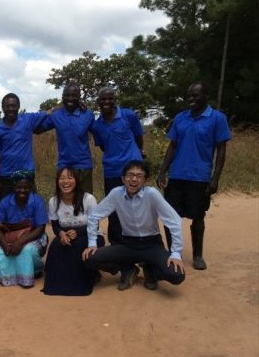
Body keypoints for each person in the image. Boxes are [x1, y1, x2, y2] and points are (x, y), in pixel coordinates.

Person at [157, 82, 231, 270]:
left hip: (199, 177)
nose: (191, 99)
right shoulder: (180, 118)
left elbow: (221, 150)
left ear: (206, 95)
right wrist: (162, 171)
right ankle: (175, 252)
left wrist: (215, 178)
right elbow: (172, 146)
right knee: (169, 217)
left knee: (198, 216)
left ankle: (198, 255)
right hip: (177, 176)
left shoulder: (217, 118)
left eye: (196, 95)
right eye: (189, 95)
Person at [81, 160, 186, 291]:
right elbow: (94, 216)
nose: (134, 179)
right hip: (128, 245)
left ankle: (151, 272)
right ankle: (128, 269)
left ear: (145, 180)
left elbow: (174, 221)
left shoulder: (152, 194)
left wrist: (176, 253)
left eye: (139, 176)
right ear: (123, 178)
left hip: (152, 244)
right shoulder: (116, 194)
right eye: (130, 175)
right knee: (89, 258)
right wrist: (92, 243)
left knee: (177, 275)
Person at [91, 87, 144, 245]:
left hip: (132, 170)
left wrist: (137, 155)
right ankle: (117, 245)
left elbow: (139, 137)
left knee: (137, 208)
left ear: (115, 100)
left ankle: (141, 245)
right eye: (103, 99)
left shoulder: (129, 115)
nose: (107, 102)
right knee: (114, 209)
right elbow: (103, 146)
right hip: (111, 171)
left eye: (110, 99)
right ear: (98, 101)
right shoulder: (96, 125)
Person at [42, 168, 104, 296]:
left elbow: (95, 224)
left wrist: (79, 233)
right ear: (57, 181)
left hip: (90, 235)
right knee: (57, 246)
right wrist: (61, 234)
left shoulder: (88, 199)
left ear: (76, 181)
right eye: (62, 178)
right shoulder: (54, 201)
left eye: (70, 178)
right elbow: (55, 226)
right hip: (66, 234)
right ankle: (60, 282)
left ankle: (88, 276)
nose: (66, 181)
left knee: (77, 247)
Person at [0, 171, 48, 287]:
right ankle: (11, 277)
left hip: (33, 237)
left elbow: (41, 228)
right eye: (19, 187)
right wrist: (5, 246)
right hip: (9, 238)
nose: (22, 190)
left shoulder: (37, 201)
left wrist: (20, 242)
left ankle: (34, 271)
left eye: (26, 187)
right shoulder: (5, 202)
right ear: (13, 187)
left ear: (30, 187)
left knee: (27, 251)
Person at [37, 83, 95, 193]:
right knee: (64, 202)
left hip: (84, 166)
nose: (70, 98)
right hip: (64, 166)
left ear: (79, 97)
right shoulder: (56, 115)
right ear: (62, 97)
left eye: (74, 95)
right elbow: (37, 129)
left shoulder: (87, 114)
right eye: (67, 95)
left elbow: (99, 131)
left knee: (85, 202)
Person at [0, 93, 48, 197]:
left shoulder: (28, 119)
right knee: (8, 208)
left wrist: (77, 104)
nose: (11, 109)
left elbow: (50, 112)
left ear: (18, 106)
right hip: (6, 176)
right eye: (7, 106)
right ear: (3, 108)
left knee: (30, 205)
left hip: (26, 174)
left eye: (13, 106)